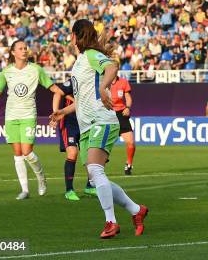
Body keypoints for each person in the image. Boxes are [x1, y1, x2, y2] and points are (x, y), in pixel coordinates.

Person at [49, 19, 148, 239]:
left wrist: (104, 86)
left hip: (101, 121)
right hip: (86, 126)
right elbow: (83, 98)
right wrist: (63, 112)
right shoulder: (80, 62)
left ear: (74, 36)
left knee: (95, 170)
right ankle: (135, 210)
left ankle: (111, 222)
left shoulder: (91, 55)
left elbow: (112, 66)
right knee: (96, 177)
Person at [0, 40, 64, 199]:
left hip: (28, 114)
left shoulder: (36, 70)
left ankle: (41, 178)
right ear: (13, 52)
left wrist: (57, 109)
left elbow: (56, 90)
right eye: (20, 48)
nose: (24, 51)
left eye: (25, 48)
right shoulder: (7, 71)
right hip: (11, 116)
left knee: (27, 152)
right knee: (18, 153)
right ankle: (25, 190)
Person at [51, 79, 97, 200]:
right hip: (69, 123)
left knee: (90, 155)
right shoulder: (73, 81)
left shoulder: (94, 82)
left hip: (86, 123)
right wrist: (55, 112)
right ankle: (69, 190)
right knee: (72, 153)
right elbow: (57, 93)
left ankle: (90, 186)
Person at [111, 75, 136, 175]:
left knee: (131, 142)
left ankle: (129, 164)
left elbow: (128, 98)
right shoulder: (103, 81)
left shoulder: (123, 82)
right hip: (108, 114)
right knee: (103, 146)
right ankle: (98, 166)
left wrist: (128, 107)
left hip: (121, 114)